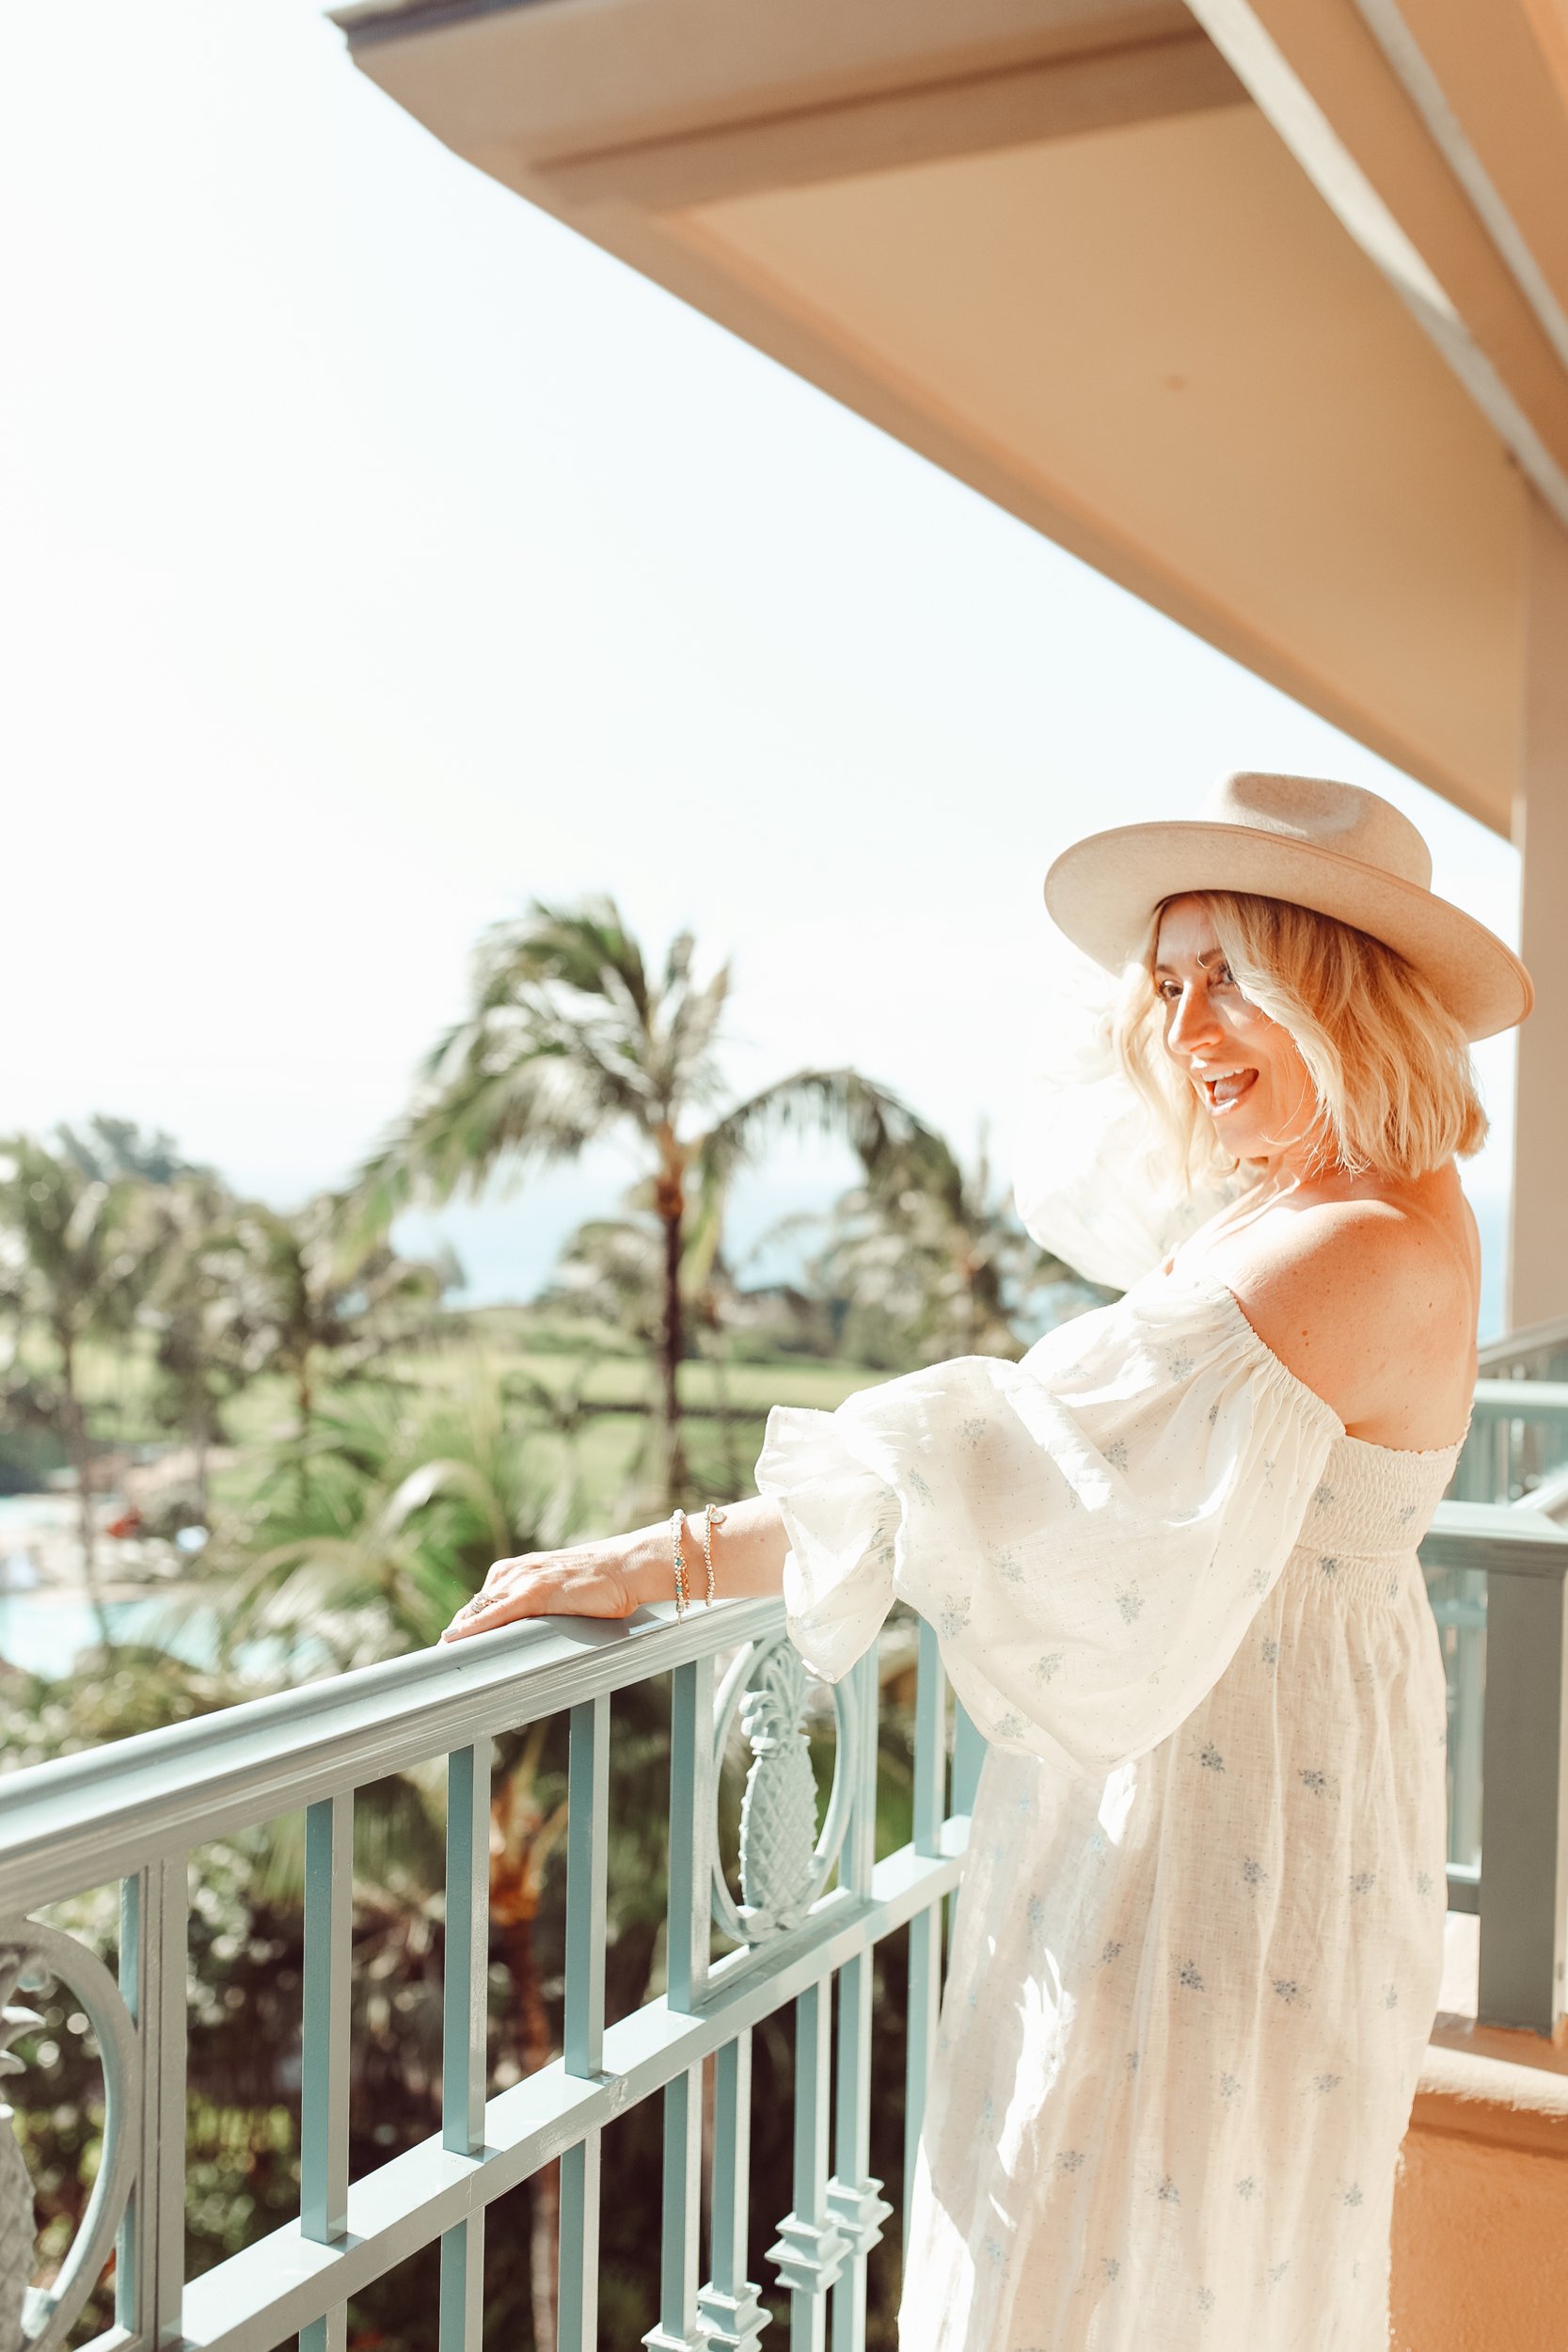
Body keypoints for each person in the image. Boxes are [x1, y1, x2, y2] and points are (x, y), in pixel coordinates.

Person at [442, 772, 1533, 2351]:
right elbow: (1094, 1185)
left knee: (1108, 2246)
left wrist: (671, 1553)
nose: (1181, 1027)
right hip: (1248, 1772)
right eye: (1164, 987)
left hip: (1227, 1809)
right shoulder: (1329, 1191)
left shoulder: (1350, 1239)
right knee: (1187, 2239)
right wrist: (1190, 1035)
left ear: (1337, 992)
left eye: (1238, 976)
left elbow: (999, 1465)